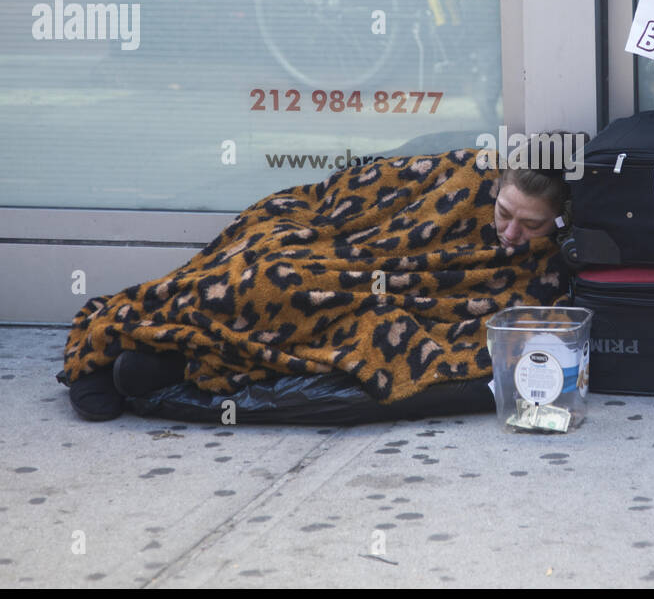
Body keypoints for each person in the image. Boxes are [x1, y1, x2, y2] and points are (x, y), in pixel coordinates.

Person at [68, 154, 573, 422]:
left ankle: (168, 361)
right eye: (504, 213)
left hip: (385, 290)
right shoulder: (465, 176)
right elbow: (368, 193)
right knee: (265, 275)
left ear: (560, 221)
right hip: (340, 240)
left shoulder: (552, 266)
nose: (510, 233)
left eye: (530, 225)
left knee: (324, 308)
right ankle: (135, 334)